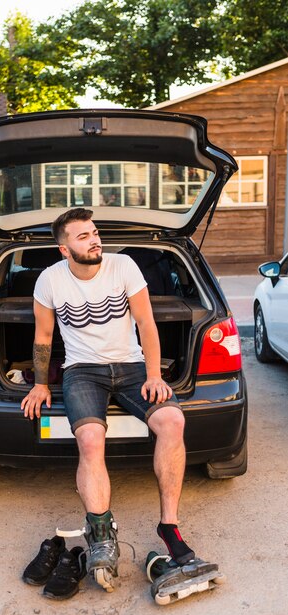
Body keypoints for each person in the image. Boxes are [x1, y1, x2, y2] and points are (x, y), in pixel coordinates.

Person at [21, 207, 194, 593]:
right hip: (82, 370)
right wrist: (41, 384)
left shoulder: (124, 266)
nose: (95, 239)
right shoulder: (49, 280)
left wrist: (154, 375)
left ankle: (169, 526)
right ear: (64, 249)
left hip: (132, 368)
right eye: (83, 236)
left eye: (95, 232)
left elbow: (147, 323)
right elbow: (44, 335)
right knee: (89, 440)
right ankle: (101, 535)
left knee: (173, 421)